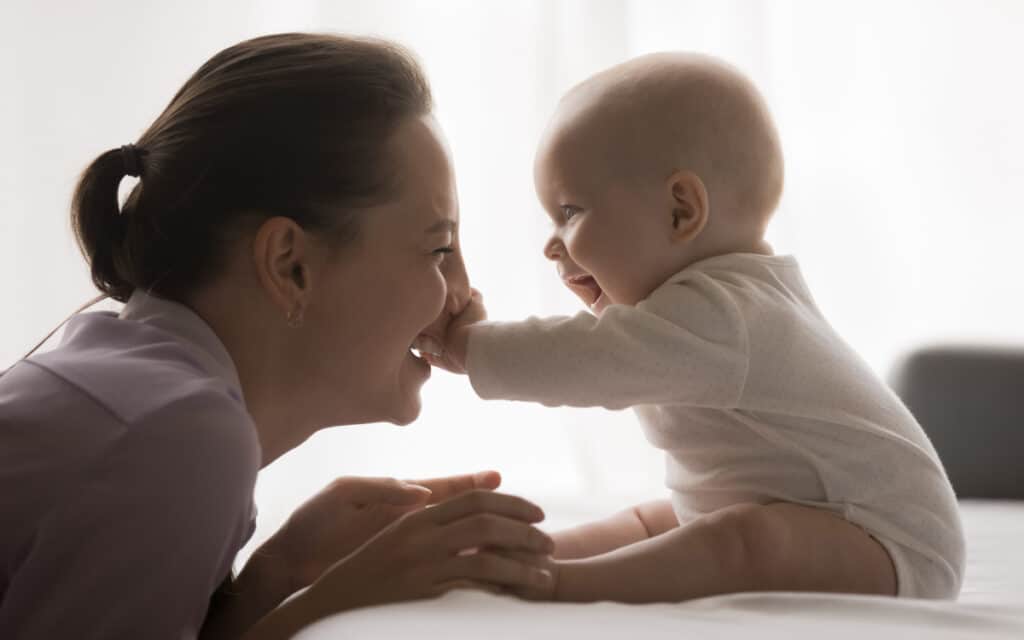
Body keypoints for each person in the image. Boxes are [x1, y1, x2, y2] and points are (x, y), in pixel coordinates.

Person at [0, 33, 555, 640]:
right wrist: (332, 600)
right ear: (290, 264)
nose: (464, 294)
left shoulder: (132, 382)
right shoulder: (171, 432)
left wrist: (282, 571)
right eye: (438, 248)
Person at [435, 52, 965, 603]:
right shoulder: (723, 303)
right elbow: (616, 347)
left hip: (892, 544)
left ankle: (560, 581)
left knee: (742, 539)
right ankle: (535, 554)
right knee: (656, 519)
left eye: (569, 212)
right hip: (817, 513)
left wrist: (471, 346)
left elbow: (593, 360)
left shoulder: (729, 313)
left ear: (680, 211)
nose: (551, 244)